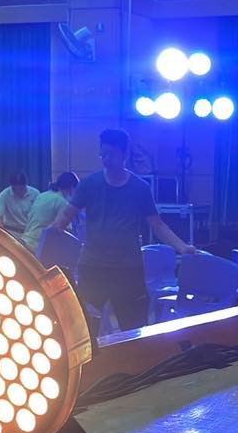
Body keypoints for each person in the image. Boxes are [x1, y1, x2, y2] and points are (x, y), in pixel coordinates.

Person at [61, 129, 195, 332]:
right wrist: (52, 239)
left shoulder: (140, 188)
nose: (107, 160)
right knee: (85, 327)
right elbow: (65, 216)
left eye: (112, 154)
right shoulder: (89, 184)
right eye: (103, 154)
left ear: (124, 154)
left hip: (128, 269)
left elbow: (157, 224)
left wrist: (182, 247)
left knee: (133, 327)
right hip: (93, 267)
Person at [22, 171, 79, 253]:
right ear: (71, 188)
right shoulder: (62, 202)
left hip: (26, 241)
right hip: (39, 247)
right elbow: (65, 230)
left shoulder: (42, 195)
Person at [0, 170, 39, 239]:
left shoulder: (35, 193)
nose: (18, 191)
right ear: (11, 186)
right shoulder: (4, 195)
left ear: (25, 185)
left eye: (21, 189)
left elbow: (39, 215)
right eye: (15, 189)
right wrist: (2, 234)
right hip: (11, 232)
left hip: (30, 232)